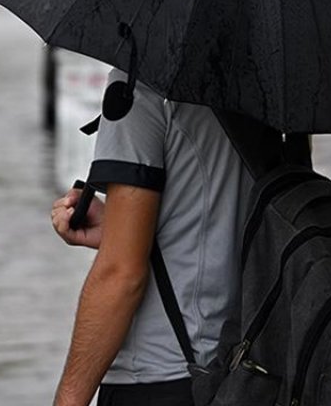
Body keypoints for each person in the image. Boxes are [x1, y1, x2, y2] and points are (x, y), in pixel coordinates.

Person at [47, 69, 255, 406]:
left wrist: (68, 400)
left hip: (156, 378)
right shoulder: (262, 86)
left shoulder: (138, 87)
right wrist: (120, 230)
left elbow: (121, 275)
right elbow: (224, 221)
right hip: (245, 369)